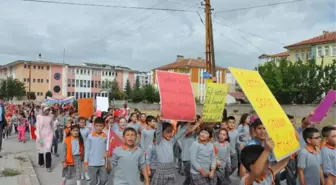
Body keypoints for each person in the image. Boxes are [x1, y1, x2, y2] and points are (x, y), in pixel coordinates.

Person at [84, 117, 109, 185]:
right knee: (93, 182)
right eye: (97, 126)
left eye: (101, 126)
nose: (99, 127)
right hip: (92, 163)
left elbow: (108, 148)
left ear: (103, 126)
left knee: (104, 179)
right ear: (94, 126)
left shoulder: (106, 137)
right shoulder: (90, 136)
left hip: (102, 163)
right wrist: (86, 163)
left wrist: (107, 152)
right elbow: (87, 150)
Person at [35, 104, 54, 172]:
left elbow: (52, 126)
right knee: (41, 149)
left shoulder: (51, 116)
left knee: (48, 150)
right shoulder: (38, 116)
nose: (47, 111)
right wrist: (38, 136)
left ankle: (48, 166)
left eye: (48, 110)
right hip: (41, 136)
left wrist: (53, 134)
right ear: (43, 109)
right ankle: (41, 162)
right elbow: (37, 126)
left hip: (49, 135)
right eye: (46, 110)